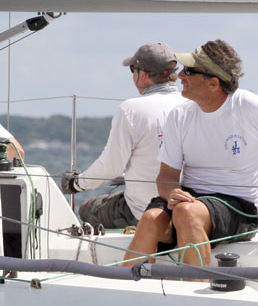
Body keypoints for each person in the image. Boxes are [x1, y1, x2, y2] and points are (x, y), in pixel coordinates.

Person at [122, 39, 258, 268]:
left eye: (188, 71)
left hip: (239, 207)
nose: (179, 76)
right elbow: (166, 175)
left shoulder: (251, 106)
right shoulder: (179, 115)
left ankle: (193, 294)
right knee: (150, 219)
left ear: (213, 83)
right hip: (191, 200)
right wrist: (172, 192)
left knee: (186, 212)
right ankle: (128, 291)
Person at [60, 42, 186, 229]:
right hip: (188, 209)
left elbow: (110, 166)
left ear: (142, 74)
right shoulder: (192, 105)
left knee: (88, 209)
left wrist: (77, 184)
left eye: (132, 71)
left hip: (144, 211)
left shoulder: (132, 109)